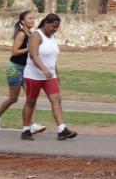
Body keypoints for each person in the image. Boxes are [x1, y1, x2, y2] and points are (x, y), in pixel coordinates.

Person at [21, 13, 77, 141]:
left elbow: (52, 57)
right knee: (30, 102)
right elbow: (33, 55)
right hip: (33, 76)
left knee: (56, 99)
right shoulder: (36, 35)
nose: (54, 29)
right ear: (46, 23)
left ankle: (62, 129)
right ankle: (25, 130)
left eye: (57, 27)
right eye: (52, 26)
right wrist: (44, 69)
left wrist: (56, 74)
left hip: (49, 76)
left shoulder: (52, 37)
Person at [0, 11, 45, 134]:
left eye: (33, 19)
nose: (32, 20)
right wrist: (29, 48)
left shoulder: (31, 35)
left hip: (26, 69)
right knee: (13, 98)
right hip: (15, 68)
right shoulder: (21, 34)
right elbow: (14, 52)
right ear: (22, 21)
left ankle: (32, 125)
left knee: (31, 97)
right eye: (30, 18)